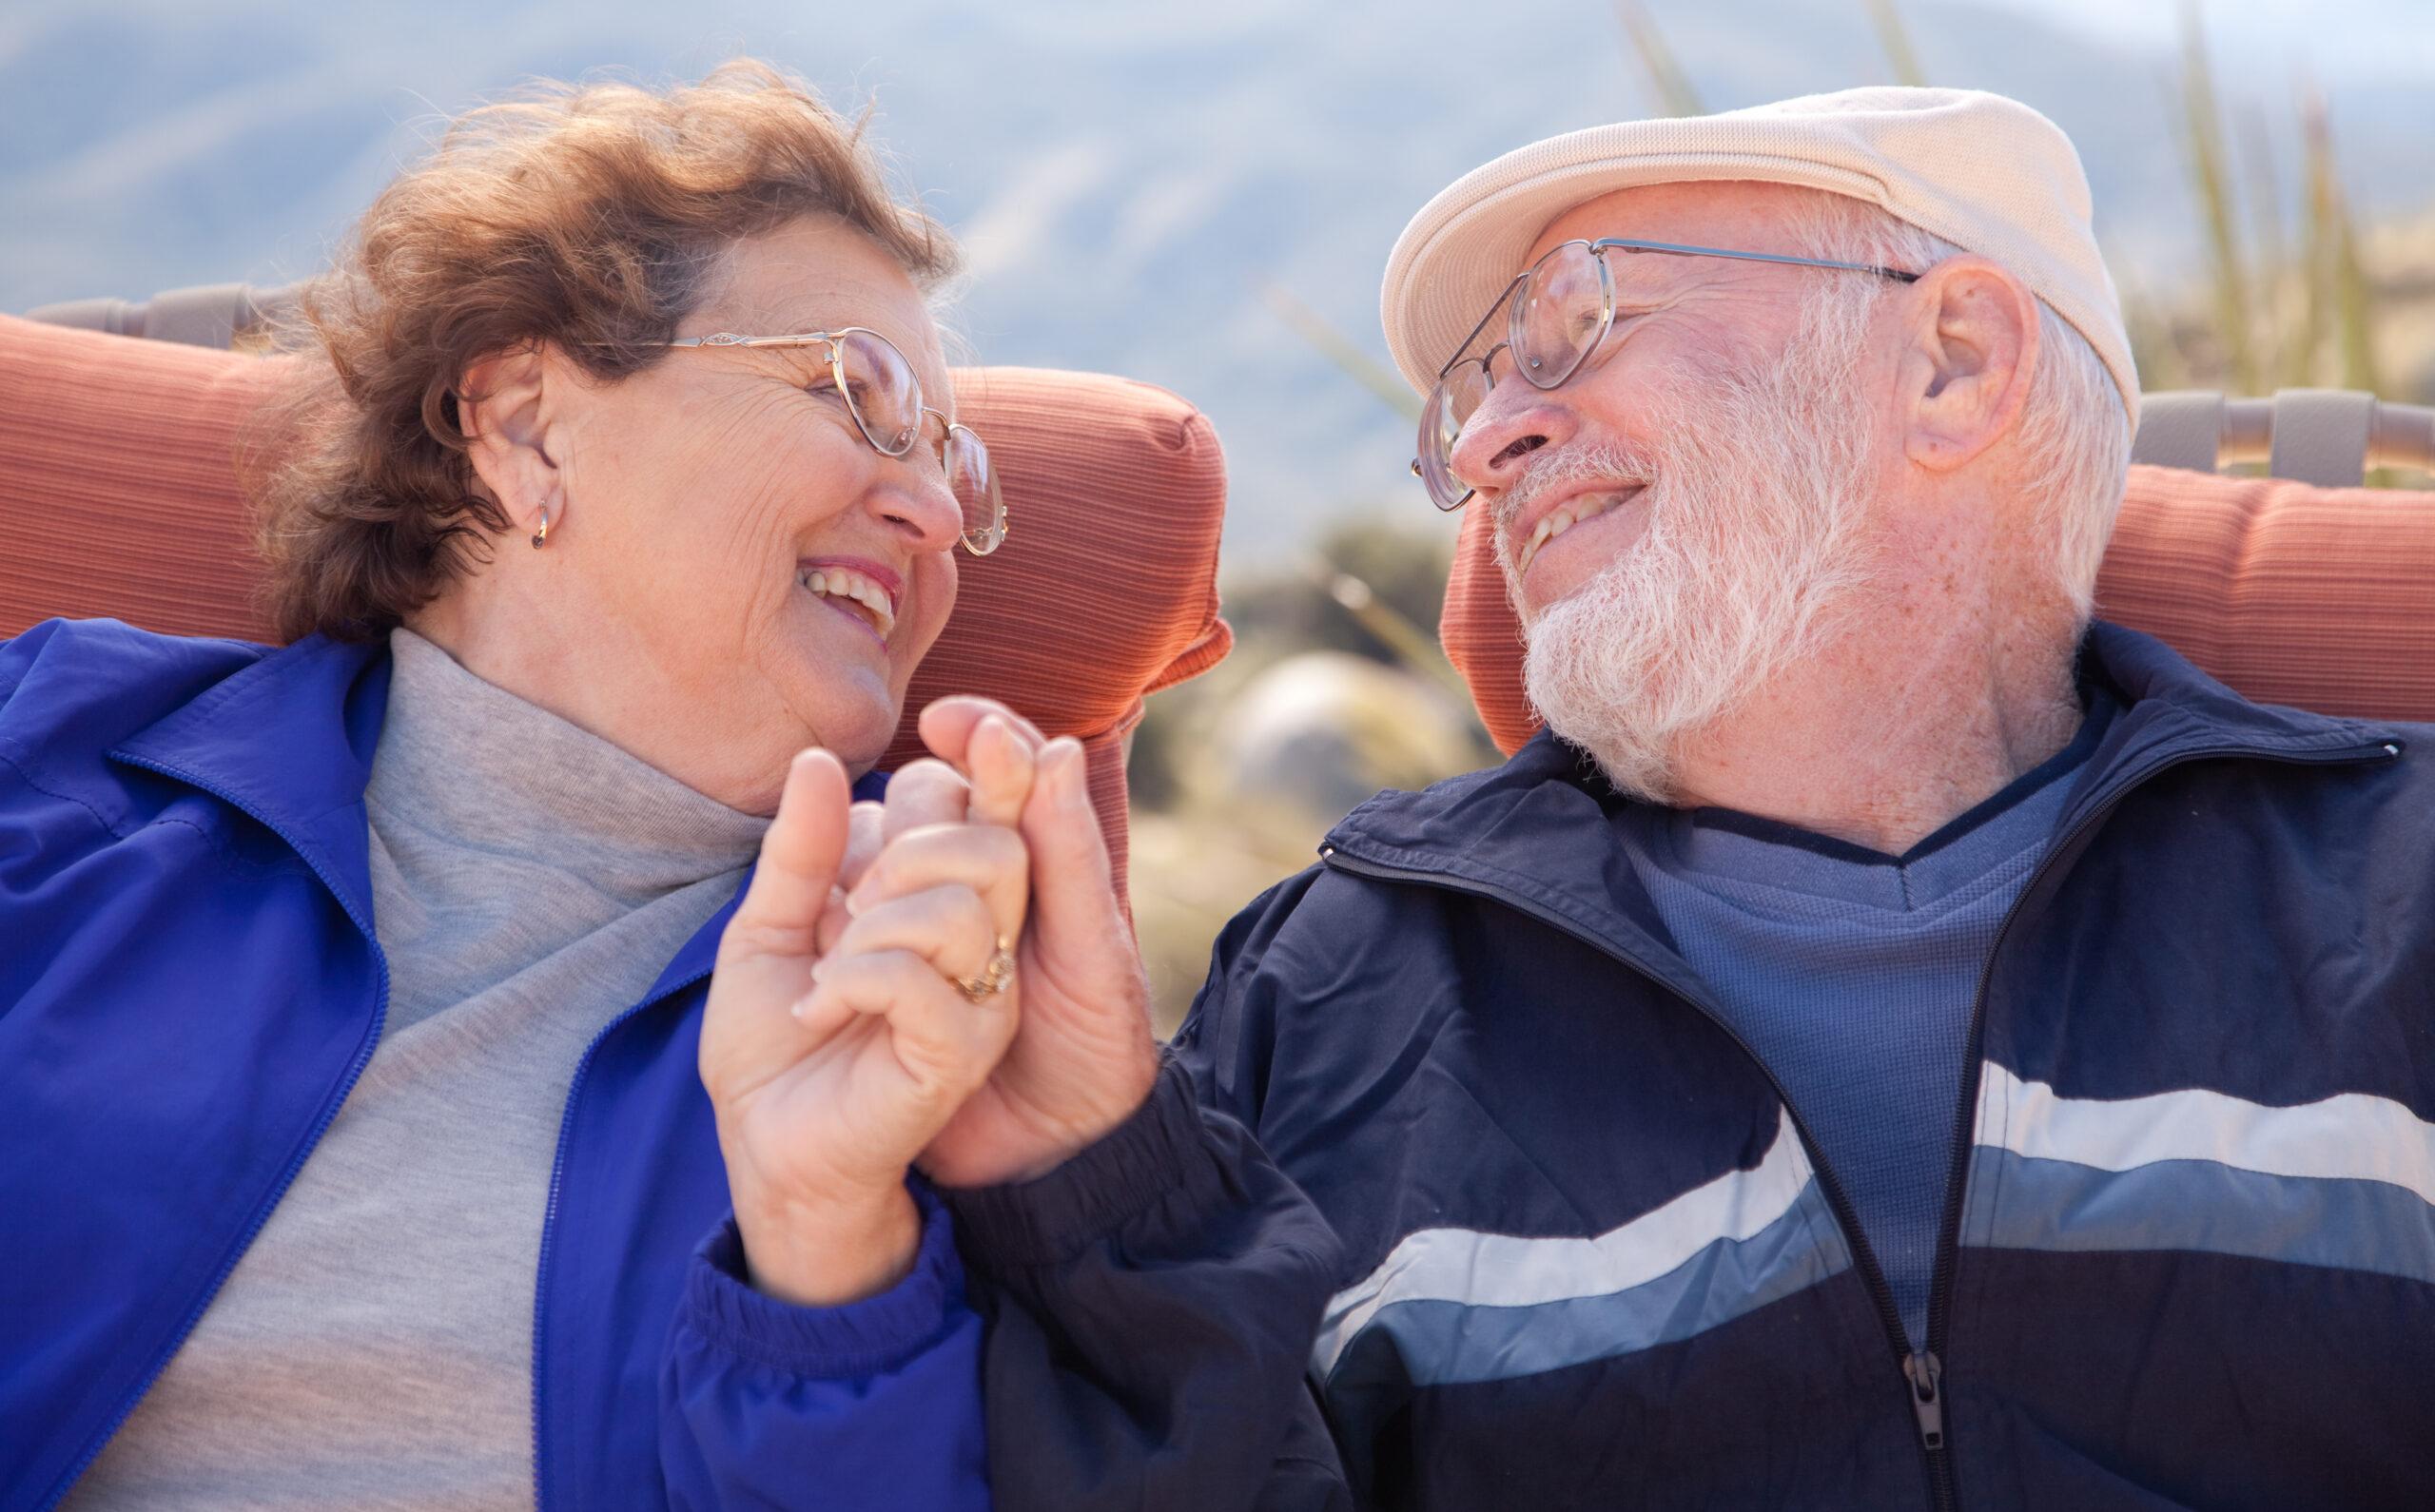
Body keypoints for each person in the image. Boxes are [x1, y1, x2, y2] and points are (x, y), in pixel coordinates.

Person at [0, 62, 1335, 1511]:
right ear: (523, 423)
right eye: (862, 395)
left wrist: (833, 1248)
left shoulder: (940, 990)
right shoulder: (62, 755)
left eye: (959, 467)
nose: (944, 511)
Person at [1154, 87, 2435, 1508]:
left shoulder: (2410, 892)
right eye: (1476, 388)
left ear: (1953, 359)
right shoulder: (1321, 995)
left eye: (1577, 316)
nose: (1480, 445)